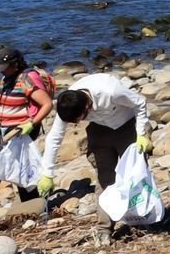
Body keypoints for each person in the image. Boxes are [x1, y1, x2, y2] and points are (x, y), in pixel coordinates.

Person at [0, 50, 56, 219]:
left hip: (21, 130)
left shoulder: (27, 79)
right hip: (6, 129)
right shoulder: (7, 79)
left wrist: (31, 123)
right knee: (20, 166)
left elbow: (47, 104)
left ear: (16, 64)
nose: (1, 70)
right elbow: (3, 104)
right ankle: (35, 205)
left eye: (4, 67)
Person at [38, 71, 153, 199]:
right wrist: (47, 173)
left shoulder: (111, 91)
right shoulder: (68, 105)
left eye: (82, 118)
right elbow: (54, 137)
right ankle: (107, 216)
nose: (79, 122)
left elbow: (140, 103)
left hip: (127, 124)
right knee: (104, 175)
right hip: (99, 128)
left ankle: (144, 214)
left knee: (135, 171)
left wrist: (141, 133)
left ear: (87, 106)